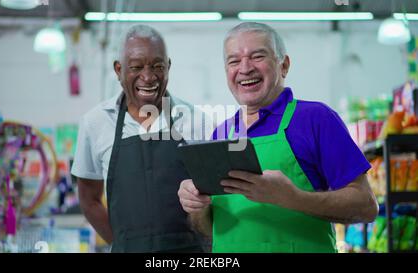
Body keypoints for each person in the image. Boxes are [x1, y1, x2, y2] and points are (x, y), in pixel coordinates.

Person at [177, 22, 379, 253]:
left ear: (284, 65)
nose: (245, 68)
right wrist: (196, 206)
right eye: (234, 61)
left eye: (257, 56)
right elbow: (209, 228)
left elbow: (366, 206)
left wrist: (293, 198)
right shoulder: (220, 134)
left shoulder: (315, 119)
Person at [71, 25, 212, 253]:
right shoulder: (95, 123)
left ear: (168, 67)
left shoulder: (196, 121)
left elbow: (215, 199)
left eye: (157, 66)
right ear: (118, 70)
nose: (148, 77)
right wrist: (121, 243)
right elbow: (89, 200)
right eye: (136, 67)